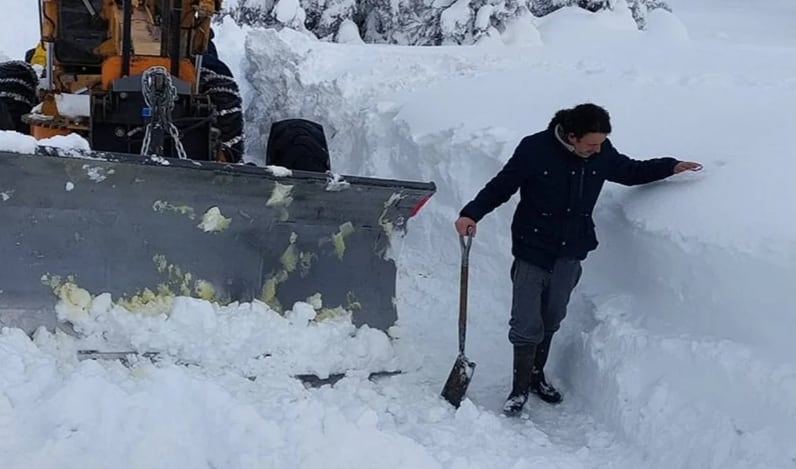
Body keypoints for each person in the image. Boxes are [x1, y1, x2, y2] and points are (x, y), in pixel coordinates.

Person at [454, 103, 702, 416]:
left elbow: (630, 171)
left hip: (571, 248)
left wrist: (670, 166)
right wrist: (471, 213)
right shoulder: (535, 149)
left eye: (601, 144)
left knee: (553, 314)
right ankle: (519, 390)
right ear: (571, 136)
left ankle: (535, 375)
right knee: (525, 320)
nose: (597, 150)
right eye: (591, 144)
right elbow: (502, 186)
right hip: (533, 246)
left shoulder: (600, 152)